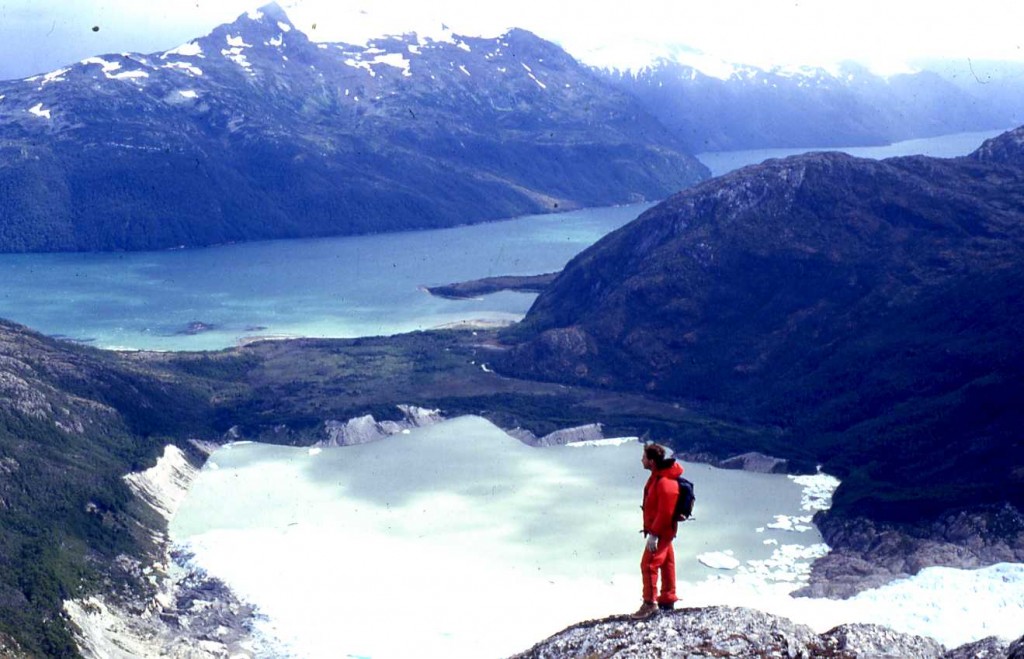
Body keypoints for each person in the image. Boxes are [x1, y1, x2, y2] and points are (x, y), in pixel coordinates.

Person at [630, 442, 683, 620]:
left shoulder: (664, 482)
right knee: (667, 564)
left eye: (644, 457)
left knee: (649, 564)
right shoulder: (659, 477)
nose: (641, 460)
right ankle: (667, 599)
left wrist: (653, 534)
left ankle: (649, 603)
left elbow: (665, 512)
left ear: (651, 461)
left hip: (661, 532)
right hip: (664, 531)